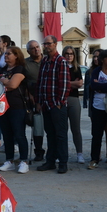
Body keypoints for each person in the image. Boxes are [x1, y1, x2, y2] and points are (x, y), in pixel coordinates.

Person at [35, 35, 71, 174]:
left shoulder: (61, 61)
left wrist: (59, 103)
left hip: (57, 105)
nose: (46, 46)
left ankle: (63, 162)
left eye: (49, 44)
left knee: (60, 135)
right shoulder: (44, 61)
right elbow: (40, 82)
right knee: (50, 134)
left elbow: (65, 84)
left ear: (55, 44)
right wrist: (38, 101)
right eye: (45, 44)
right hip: (45, 104)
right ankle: (50, 161)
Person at [0, 46, 30, 174]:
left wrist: (3, 81)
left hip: (16, 106)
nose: (6, 56)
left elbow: (13, 85)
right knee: (7, 135)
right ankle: (9, 160)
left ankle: (24, 161)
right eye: (5, 54)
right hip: (2, 106)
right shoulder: (2, 69)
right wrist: (6, 83)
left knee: (19, 134)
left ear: (16, 55)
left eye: (9, 54)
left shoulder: (19, 69)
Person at [62, 46, 85, 164]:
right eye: (67, 53)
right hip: (62, 99)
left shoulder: (76, 69)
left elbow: (80, 84)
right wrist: (72, 83)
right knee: (62, 129)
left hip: (74, 99)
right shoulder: (60, 67)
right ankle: (62, 153)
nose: (69, 56)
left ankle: (79, 153)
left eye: (71, 54)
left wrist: (67, 83)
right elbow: (60, 83)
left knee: (76, 128)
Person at [23, 40, 45, 161]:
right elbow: (23, 82)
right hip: (33, 98)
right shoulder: (25, 63)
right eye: (33, 48)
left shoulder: (47, 61)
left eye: (37, 47)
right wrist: (29, 95)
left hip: (48, 98)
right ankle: (39, 151)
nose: (36, 49)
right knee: (37, 126)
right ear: (28, 51)